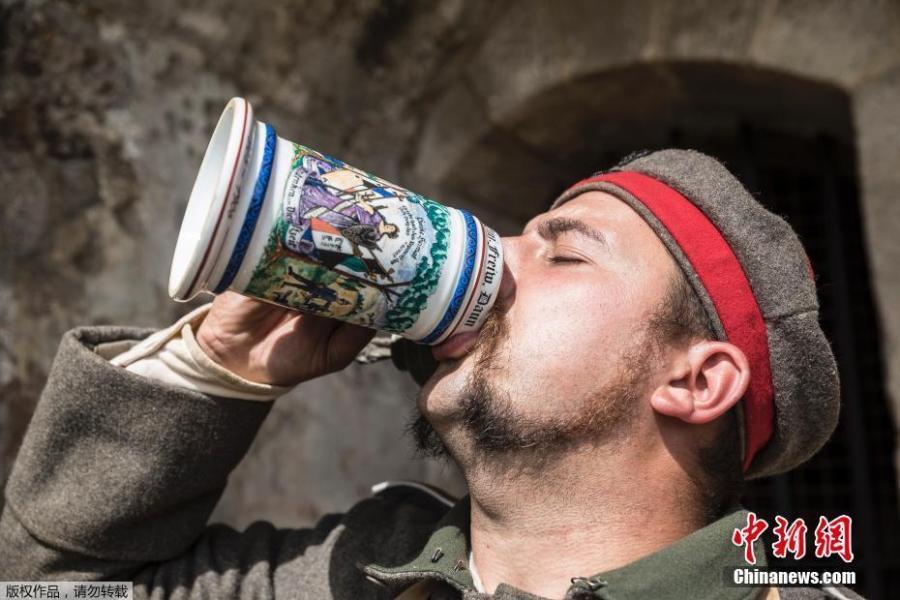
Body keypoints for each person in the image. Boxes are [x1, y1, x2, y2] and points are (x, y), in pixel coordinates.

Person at [0, 150, 861, 599]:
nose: (499, 259)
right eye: (517, 234)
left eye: (563, 254)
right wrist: (214, 368)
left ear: (696, 382)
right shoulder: (349, 572)